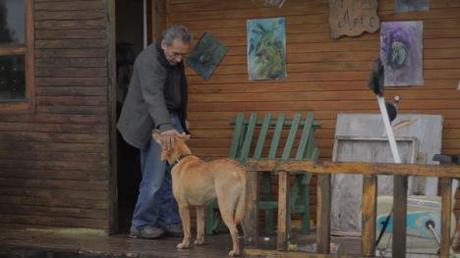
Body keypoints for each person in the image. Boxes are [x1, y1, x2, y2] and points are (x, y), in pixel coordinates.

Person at [117, 25, 192, 239]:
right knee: (155, 176)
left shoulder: (173, 59)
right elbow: (153, 97)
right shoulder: (148, 60)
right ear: (163, 44)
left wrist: (181, 116)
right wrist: (166, 127)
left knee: (173, 174)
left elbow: (178, 89)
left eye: (182, 55)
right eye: (176, 53)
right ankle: (141, 223)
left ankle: (167, 219)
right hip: (150, 120)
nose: (179, 59)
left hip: (169, 117)